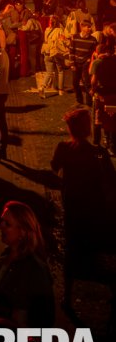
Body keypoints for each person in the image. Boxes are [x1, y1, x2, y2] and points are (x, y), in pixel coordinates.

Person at [51, 107, 116, 314]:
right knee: (99, 251)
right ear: (87, 129)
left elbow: (54, 167)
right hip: (96, 210)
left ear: (70, 129)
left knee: (72, 252)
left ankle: (67, 295)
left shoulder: (64, 148)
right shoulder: (99, 153)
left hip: (73, 209)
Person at [0, 201, 54, 327]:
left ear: (22, 232)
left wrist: (5, 322)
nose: (1, 226)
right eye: (2, 221)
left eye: (7, 224)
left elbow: (43, 321)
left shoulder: (35, 269)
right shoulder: (7, 254)